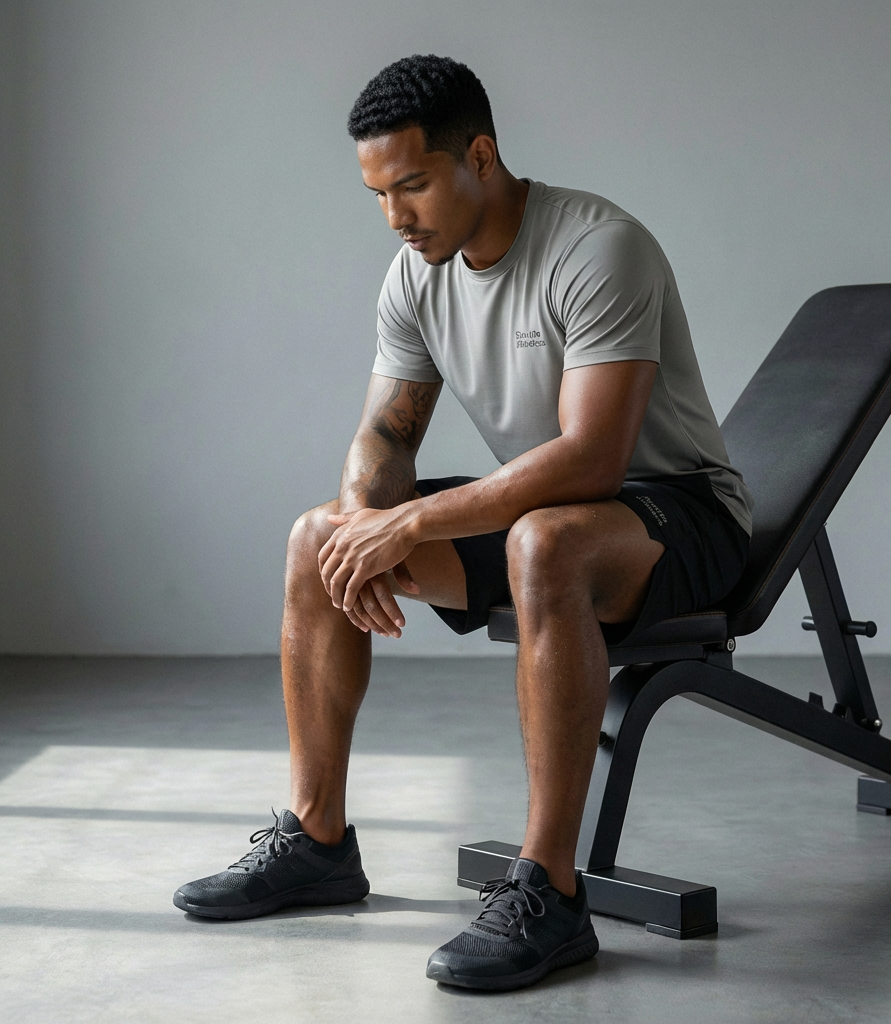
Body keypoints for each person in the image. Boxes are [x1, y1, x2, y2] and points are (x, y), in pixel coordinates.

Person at [173, 54, 752, 992]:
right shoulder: (416, 274)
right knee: (319, 534)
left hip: (677, 510)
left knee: (545, 539)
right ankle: (317, 842)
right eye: (377, 193)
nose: (396, 216)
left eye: (413, 184)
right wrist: (368, 522)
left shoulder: (599, 247)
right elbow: (385, 431)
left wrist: (414, 526)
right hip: (543, 502)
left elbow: (592, 459)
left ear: (480, 154)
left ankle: (549, 894)